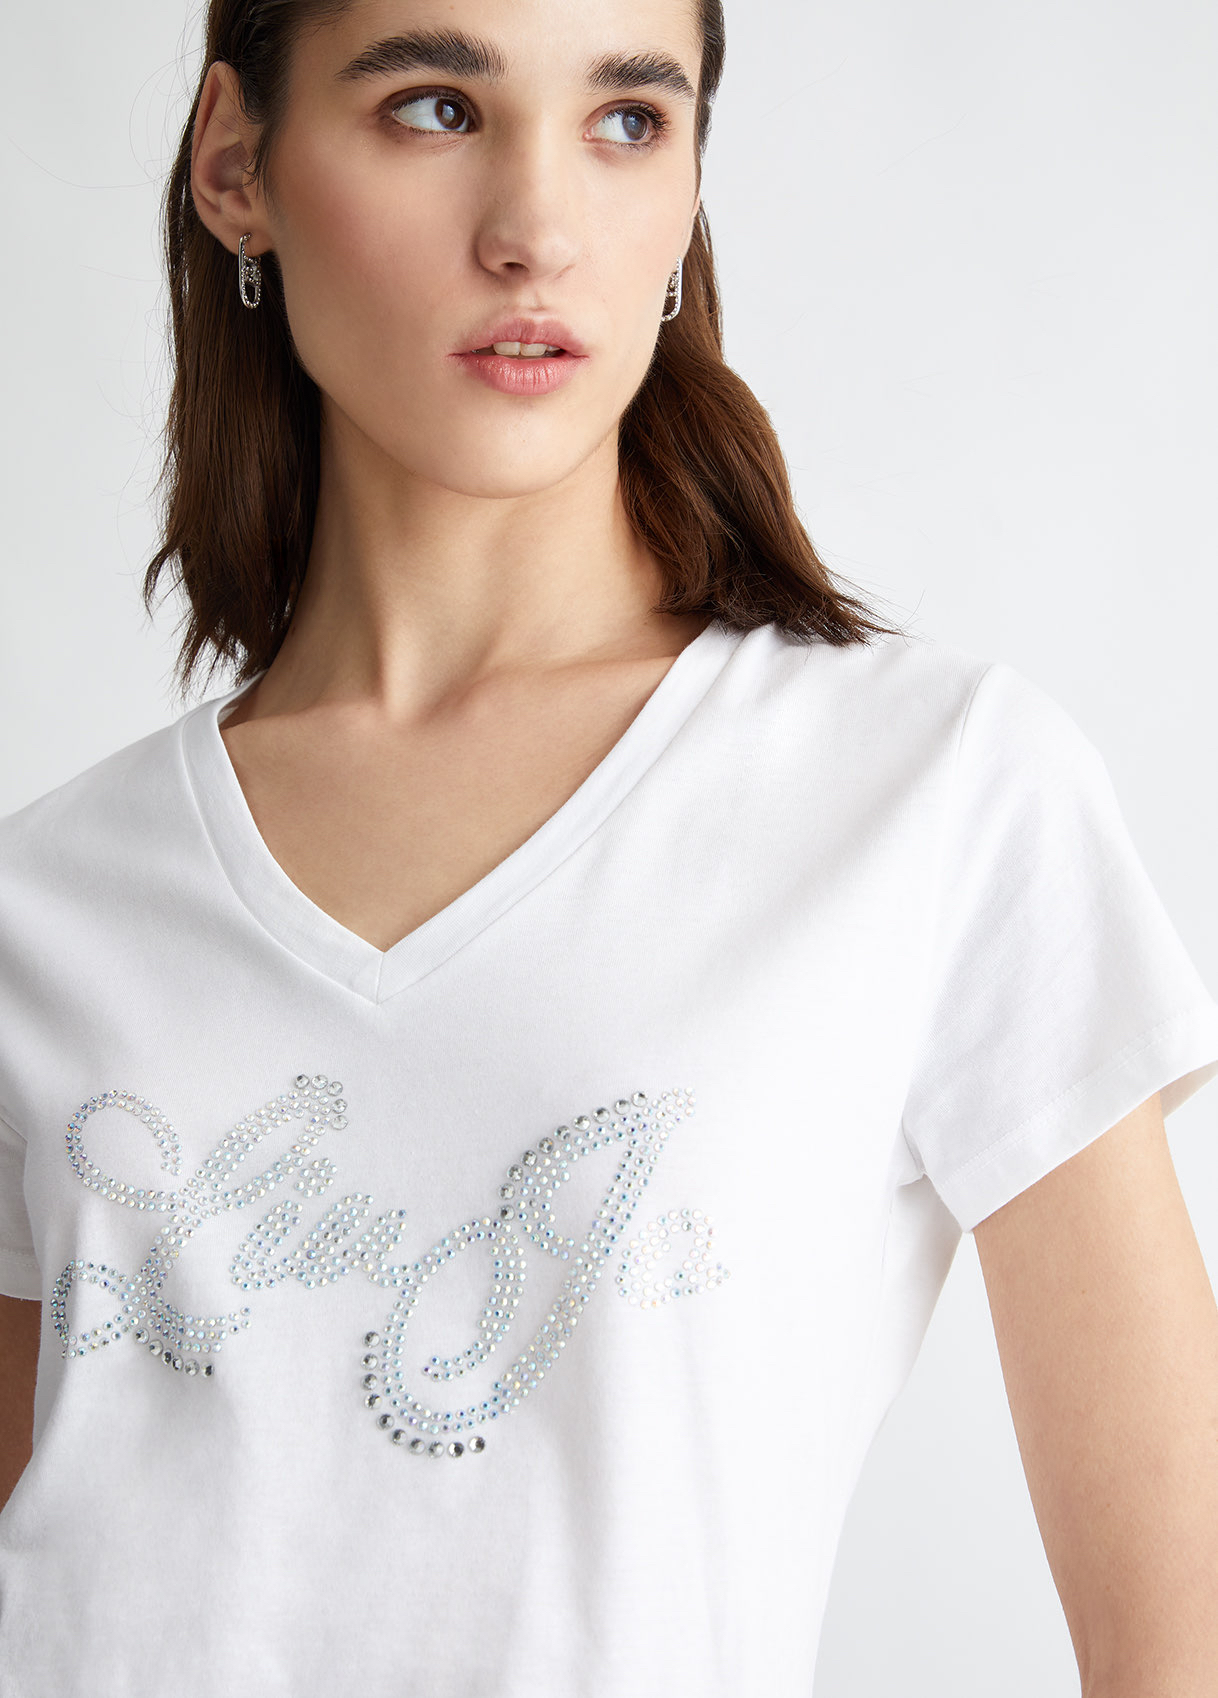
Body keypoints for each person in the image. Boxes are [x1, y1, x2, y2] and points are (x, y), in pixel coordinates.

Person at [1, 0, 1216, 1691]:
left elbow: (1178, 1646)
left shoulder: (928, 791)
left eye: (627, 120)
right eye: (434, 107)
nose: (536, 230)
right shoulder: (46, 906)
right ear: (234, 165)